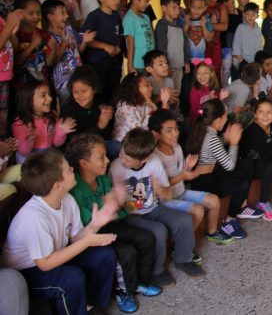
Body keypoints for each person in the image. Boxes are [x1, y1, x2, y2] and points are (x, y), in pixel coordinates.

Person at [1, 150, 117, 315]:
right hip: (27, 271)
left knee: (105, 255)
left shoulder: (67, 199)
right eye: (69, 169)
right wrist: (87, 242)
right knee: (71, 278)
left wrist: (95, 224)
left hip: (52, 257)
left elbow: (75, 237)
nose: (73, 169)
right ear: (57, 185)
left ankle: (90, 306)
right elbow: (45, 263)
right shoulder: (34, 217)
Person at [67, 133, 162, 312]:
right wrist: (108, 206)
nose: (107, 160)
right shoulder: (75, 189)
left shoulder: (102, 178)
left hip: (108, 225)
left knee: (146, 237)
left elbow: (118, 212)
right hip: (89, 234)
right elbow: (86, 223)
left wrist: (118, 201)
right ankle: (122, 291)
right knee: (126, 252)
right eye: (101, 157)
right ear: (84, 163)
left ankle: (139, 282)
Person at [110, 128, 206, 279]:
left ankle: (184, 260)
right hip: (129, 214)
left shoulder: (154, 162)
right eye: (121, 154)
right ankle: (156, 271)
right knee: (158, 230)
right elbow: (114, 204)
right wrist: (118, 196)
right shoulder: (115, 167)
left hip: (153, 208)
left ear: (144, 159)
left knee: (185, 220)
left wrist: (161, 190)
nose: (122, 160)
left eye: (127, 159)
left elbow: (168, 195)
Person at [150, 109, 234, 245]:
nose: (175, 133)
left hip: (180, 192)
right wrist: (184, 175)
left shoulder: (177, 147)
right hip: (165, 200)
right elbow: (159, 188)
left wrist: (188, 168)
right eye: (169, 131)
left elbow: (182, 173)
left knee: (213, 200)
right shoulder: (154, 156)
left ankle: (212, 233)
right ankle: (181, 245)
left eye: (176, 129)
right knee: (197, 211)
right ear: (156, 134)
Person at [186, 99, 261, 239]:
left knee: (247, 164)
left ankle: (242, 206)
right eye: (225, 117)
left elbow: (213, 149)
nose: (226, 120)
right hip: (204, 183)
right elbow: (229, 166)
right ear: (218, 119)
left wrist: (225, 139)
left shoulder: (205, 130)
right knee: (242, 185)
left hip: (207, 175)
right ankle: (229, 221)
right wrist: (233, 143)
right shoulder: (211, 137)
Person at [42, 0, 95, 106]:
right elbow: (52, 62)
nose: (67, 16)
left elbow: (79, 51)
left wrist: (84, 41)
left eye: (66, 12)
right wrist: (64, 42)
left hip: (79, 78)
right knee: (67, 107)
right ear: (50, 17)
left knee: (82, 105)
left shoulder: (69, 30)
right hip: (63, 83)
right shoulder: (47, 37)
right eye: (62, 13)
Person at [80, 0, 124, 105]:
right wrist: (105, 46)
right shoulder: (93, 16)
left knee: (114, 93)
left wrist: (116, 47)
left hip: (113, 60)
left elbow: (118, 35)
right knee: (99, 94)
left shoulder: (116, 16)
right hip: (97, 62)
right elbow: (86, 40)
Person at [12, 81, 75, 163]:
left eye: (49, 94)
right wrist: (30, 141)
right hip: (29, 160)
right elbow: (24, 153)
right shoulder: (19, 123)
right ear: (28, 100)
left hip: (48, 156)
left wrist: (62, 131)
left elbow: (56, 143)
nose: (50, 98)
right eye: (43, 95)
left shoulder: (52, 116)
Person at [60, 66, 116, 157]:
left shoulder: (100, 106)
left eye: (84, 91)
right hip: (76, 153)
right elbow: (75, 144)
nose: (80, 95)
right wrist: (99, 125)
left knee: (117, 147)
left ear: (94, 89)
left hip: (98, 148)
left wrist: (108, 118)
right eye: (75, 92)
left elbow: (106, 136)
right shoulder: (68, 110)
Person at [13, 0, 55, 89]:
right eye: (31, 13)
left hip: (42, 85)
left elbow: (49, 63)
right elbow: (16, 62)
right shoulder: (15, 35)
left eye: (38, 12)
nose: (36, 17)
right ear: (20, 14)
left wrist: (53, 49)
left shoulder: (43, 34)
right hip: (22, 88)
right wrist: (32, 45)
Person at [112, 72, 169, 142]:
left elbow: (160, 122)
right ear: (134, 88)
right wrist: (153, 110)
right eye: (147, 85)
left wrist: (164, 103)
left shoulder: (145, 103)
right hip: (124, 144)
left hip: (140, 141)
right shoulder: (125, 107)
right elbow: (140, 132)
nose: (151, 88)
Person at [155, 0, 191, 92]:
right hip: (168, 69)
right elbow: (161, 48)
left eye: (178, 7)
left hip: (179, 68)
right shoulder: (162, 26)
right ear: (164, 8)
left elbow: (184, 45)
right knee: (168, 93)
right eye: (174, 7)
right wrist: (166, 66)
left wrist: (186, 61)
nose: (177, 10)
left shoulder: (179, 26)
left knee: (176, 93)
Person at [0, 10, 22, 137]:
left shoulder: (1, 20)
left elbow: (14, 45)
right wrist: (9, 25)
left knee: (3, 115)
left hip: (4, 77)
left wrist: (13, 29)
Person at [124, 0, 155, 74]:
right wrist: (130, 66)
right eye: (146, 1)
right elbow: (130, 44)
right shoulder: (129, 18)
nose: (148, 4)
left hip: (150, 63)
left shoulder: (146, 17)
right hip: (138, 65)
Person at [203, 0, 227, 82]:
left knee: (214, 73)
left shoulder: (221, 6)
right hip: (200, 46)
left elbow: (224, 26)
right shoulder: (200, 5)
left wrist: (207, 25)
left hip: (215, 46)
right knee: (201, 72)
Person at [232, 2, 263, 68]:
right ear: (243, 14)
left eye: (253, 14)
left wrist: (259, 58)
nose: (250, 17)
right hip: (243, 60)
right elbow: (236, 45)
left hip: (255, 61)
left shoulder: (258, 29)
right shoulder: (240, 27)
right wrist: (241, 61)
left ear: (257, 16)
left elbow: (260, 45)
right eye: (247, 14)